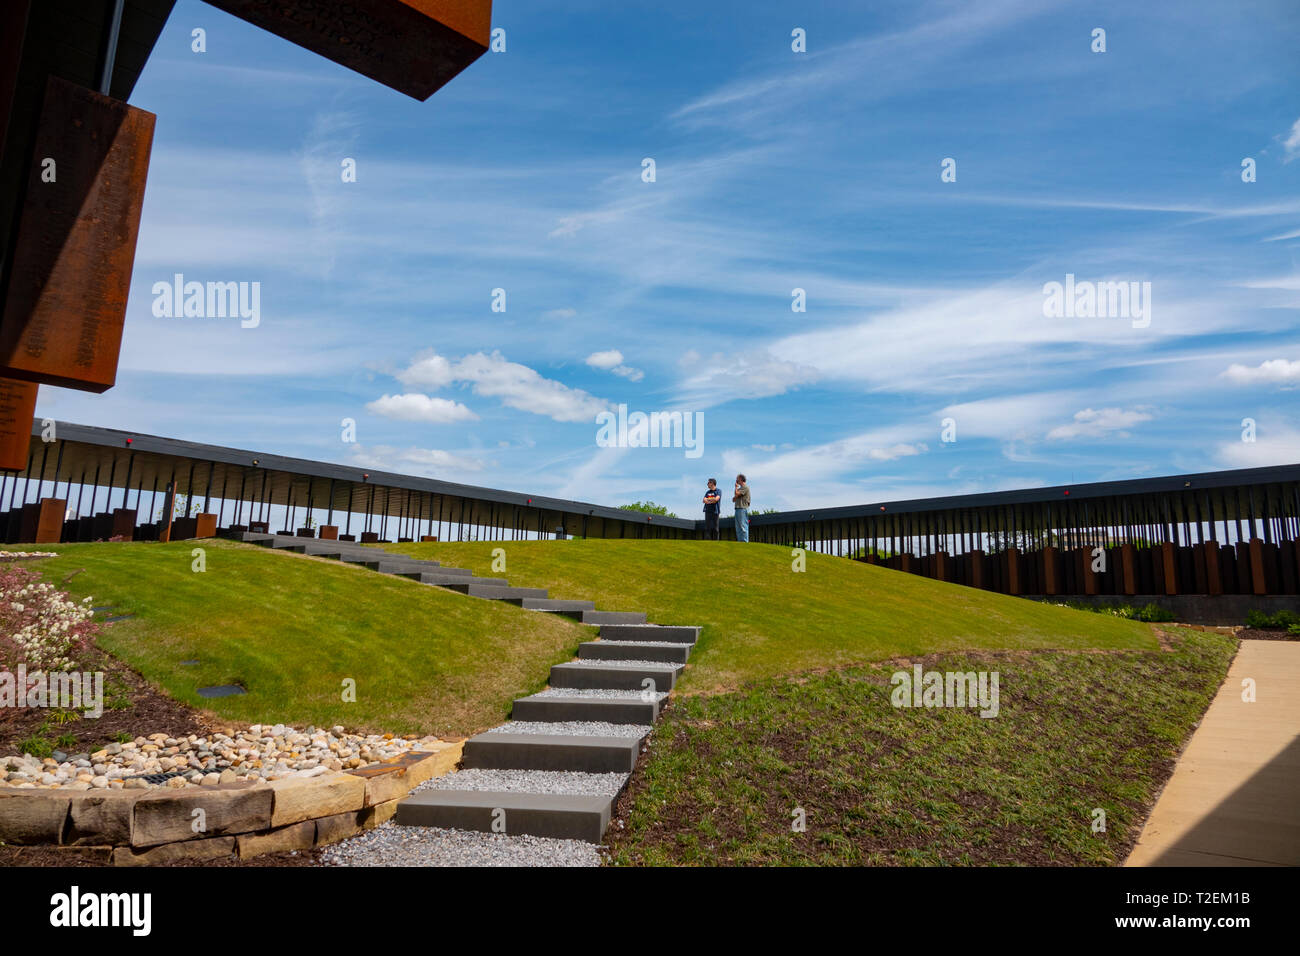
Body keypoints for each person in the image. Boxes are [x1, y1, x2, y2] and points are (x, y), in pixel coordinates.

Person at [732, 474, 751, 543]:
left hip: (742, 509)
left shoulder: (745, 487)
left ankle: (745, 542)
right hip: (737, 508)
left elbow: (736, 495)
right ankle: (740, 542)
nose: (736, 480)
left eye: (737, 479)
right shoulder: (740, 489)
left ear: (741, 479)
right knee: (738, 527)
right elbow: (734, 499)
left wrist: (736, 488)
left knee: (743, 526)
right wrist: (736, 491)